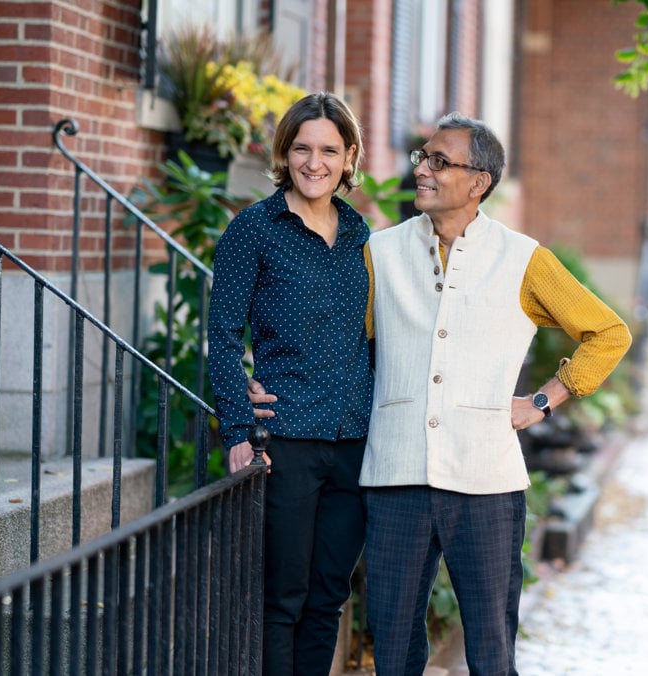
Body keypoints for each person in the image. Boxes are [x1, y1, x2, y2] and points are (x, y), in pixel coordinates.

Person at [361, 112, 631, 674]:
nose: (423, 172)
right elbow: (350, 346)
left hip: (486, 481)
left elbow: (609, 333)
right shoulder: (380, 253)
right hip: (395, 475)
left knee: (490, 648)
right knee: (391, 647)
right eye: (422, 159)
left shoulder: (524, 259)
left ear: (479, 181)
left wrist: (545, 400)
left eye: (439, 162)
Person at [207, 92, 372, 676]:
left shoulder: (362, 235)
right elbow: (223, 335)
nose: (314, 162)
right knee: (282, 600)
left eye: (329, 149)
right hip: (287, 440)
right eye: (302, 148)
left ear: (349, 156)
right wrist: (237, 429)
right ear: (285, 152)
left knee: (328, 596)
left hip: (355, 440)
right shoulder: (253, 230)